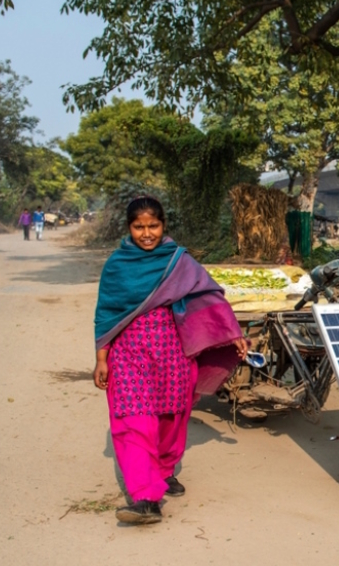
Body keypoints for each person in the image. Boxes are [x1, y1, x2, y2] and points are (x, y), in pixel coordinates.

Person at [93, 196, 247, 525]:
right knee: (133, 419)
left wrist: (231, 332)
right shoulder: (117, 265)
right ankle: (146, 498)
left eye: (153, 226)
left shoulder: (179, 262)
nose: (146, 233)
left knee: (170, 418)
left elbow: (208, 295)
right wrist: (101, 358)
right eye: (139, 227)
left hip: (172, 353)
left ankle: (163, 471)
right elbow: (105, 314)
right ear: (128, 228)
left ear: (163, 226)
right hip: (128, 355)